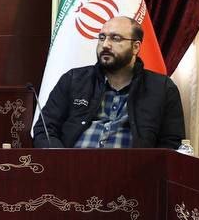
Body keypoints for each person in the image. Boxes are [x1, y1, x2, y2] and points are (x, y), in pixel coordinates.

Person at [34, 15, 184, 149]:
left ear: (136, 47)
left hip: (131, 170)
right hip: (72, 167)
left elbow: (171, 143)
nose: (105, 45)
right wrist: (60, 160)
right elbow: (45, 129)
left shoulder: (162, 88)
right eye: (102, 37)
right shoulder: (73, 79)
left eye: (115, 38)